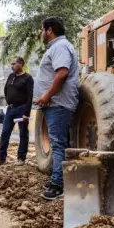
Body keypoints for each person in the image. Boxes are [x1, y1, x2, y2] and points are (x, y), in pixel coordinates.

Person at [34, 17, 79, 200]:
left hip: (58, 103)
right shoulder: (56, 47)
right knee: (58, 142)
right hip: (55, 103)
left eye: (41, 30)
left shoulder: (60, 47)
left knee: (58, 144)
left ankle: (58, 186)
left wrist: (46, 95)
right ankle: (58, 180)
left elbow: (62, 73)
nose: (41, 33)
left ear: (49, 30)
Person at [0, 56, 34, 168]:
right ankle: (1, 157)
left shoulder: (28, 78)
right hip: (10, 109)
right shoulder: (11, 76)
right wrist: (10, 100)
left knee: (23, 133)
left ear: (21, 64)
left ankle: (21, 158)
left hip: (22, 108)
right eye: (11, 64)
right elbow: (6, 90)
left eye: (14, 64)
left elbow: (30, 97)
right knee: (5, 132)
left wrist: (26, 113)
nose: (12, 66)